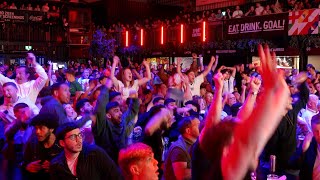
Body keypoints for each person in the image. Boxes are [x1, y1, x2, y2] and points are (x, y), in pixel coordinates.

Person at [192, 45, 290, 179]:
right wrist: (277, 91)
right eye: (238, 137)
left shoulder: (220, 160)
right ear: (227, 149)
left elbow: (241, 121)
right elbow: (245, 138)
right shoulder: (223, 169)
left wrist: (253, 92)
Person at [50, 122, 122, 180]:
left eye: (79, 135)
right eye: (72, 137)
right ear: (62, 143)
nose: (79, 140)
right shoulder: (56, 165)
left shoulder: (95, 153)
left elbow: (116, 176)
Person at [22, 113, 61, 179]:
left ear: (51, 129)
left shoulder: (61, 144)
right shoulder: (32, 142)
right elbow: (23, 162)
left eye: (41, 128)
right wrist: (27, 166)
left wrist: (56, 167)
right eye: (36, 128)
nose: (37, 132)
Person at [289, 113, 320, 179]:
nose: (319, 135)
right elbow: (294, 165)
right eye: (316, 131)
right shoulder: (310, 145)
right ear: (312, 132)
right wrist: (303, 149)